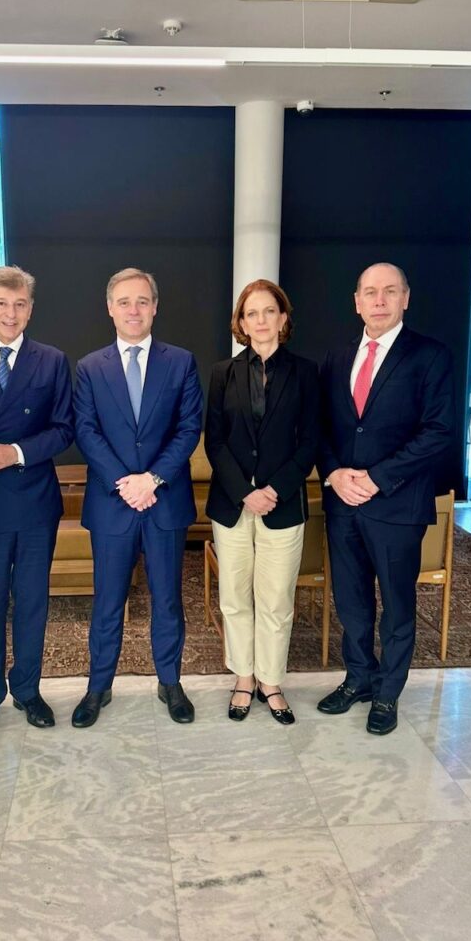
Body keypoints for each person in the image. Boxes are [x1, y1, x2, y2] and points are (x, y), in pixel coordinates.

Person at [317, 263, 455, 734]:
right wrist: (334, 473)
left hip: (396, 505)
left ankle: (388, 693)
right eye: (371, 292)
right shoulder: (336, 357)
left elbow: (438, 431)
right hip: (343, 503)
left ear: (405, 299)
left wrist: (377, 478)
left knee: (396, 606)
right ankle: (358, 679)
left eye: (390, 291)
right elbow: (322, 428)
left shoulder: (429, 356)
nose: (379, 300)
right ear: (356, 302)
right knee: (351, 602)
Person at [71, 267, 203, 727]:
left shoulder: (181, 362)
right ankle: (98, 687)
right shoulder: (89, 367)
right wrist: (126, 483)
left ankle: (171, 682)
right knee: (107, 602)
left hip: (164, 502)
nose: (133, 309)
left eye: (142, 301)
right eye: (124, 301)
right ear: (110, 308)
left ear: (155, 307)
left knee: (167, 600)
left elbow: (189, 428)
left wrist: (153, 479)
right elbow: (86, 431)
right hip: (113, 504)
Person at [0, 266, 73, 743]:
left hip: (34, 502)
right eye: (1, 303)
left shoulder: (52, 360)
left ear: (30, 309)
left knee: (32, 602)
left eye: (20, 304)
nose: (11, 313)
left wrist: (16, 452)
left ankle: (27, 689)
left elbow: (64, 429)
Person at [205, 280, 319, 724]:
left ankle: (270, 681)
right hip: (233, 503)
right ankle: (243, 677)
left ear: (283, 317)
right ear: (241, 322)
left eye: (269, 311)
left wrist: (274, 489)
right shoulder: (223, 373)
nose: (261, 320)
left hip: (282, 503)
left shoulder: (305, 372)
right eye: (251, 313)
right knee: (235, 597)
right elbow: (215, 442)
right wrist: (245, 491)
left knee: (275, 599)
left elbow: (310, 441)